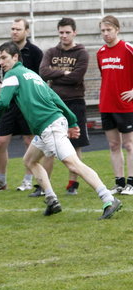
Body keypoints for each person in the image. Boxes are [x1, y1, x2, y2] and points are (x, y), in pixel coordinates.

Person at [0, 41, 122, 220]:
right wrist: (72, 121)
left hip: (49, 126)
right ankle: (51, 199)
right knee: (30, 160)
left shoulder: (12, 75)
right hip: (49, 126)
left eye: (4, 58)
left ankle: (108, 199)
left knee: (74, 164)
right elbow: (54, 97)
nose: (1, 63)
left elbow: (3, 103)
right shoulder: (31, 74)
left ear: (16, 57)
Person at [0, 18, 44, 193]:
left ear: (27, 31)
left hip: (27, 104)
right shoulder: (5, 51)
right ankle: (1, 180)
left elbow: (40, 75)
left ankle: (27, 180)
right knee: (0, 142)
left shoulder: (35, 52)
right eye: (12, 29)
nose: (14, 32)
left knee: (29, 141)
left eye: (18, 29)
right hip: (9, 104)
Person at [39, 17, 90, 195]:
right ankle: (44, 186)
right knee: (49, 147)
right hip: (54, 105)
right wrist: (63, 72)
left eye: (68, 32)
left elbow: (76, 77)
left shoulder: (81, 53)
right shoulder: (51, 52)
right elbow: (43, 72)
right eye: (61, 32)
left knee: (75, 145)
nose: (64, 36)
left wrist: (56, 76)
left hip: (75, 101)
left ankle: (72, 185)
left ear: (74, 32)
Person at [97, 15, 133, 195]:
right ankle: (119, 182)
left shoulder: (128, 49)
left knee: (129, 144)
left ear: (117, 30)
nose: (106, 34)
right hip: (106, 104)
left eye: (109, 30)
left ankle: (132, 183)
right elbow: (106, 77)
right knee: (113, 144)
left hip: (126, 105)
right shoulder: (101, 52)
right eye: (103, 31)